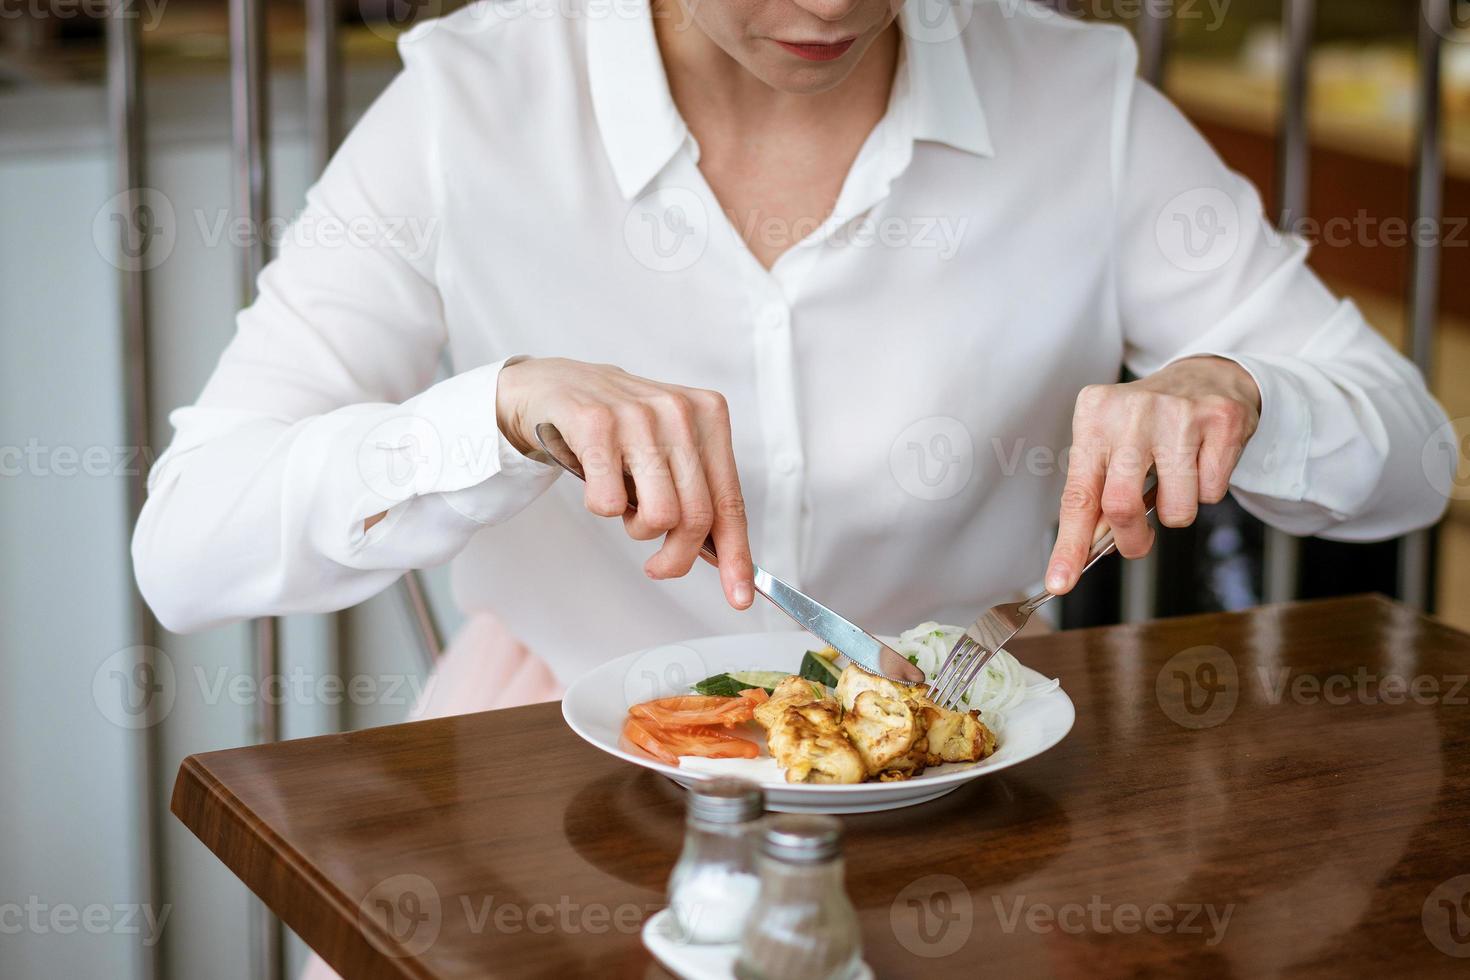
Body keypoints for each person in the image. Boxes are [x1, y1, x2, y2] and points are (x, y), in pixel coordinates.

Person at [134, 0, 1453, 711]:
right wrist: (497, 413)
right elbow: (189, 548)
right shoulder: (469, 103)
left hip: (964, 763)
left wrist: (1235, 392)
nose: (828, 8)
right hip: (549, 776)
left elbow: (1409, 458)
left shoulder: (1075, 96)